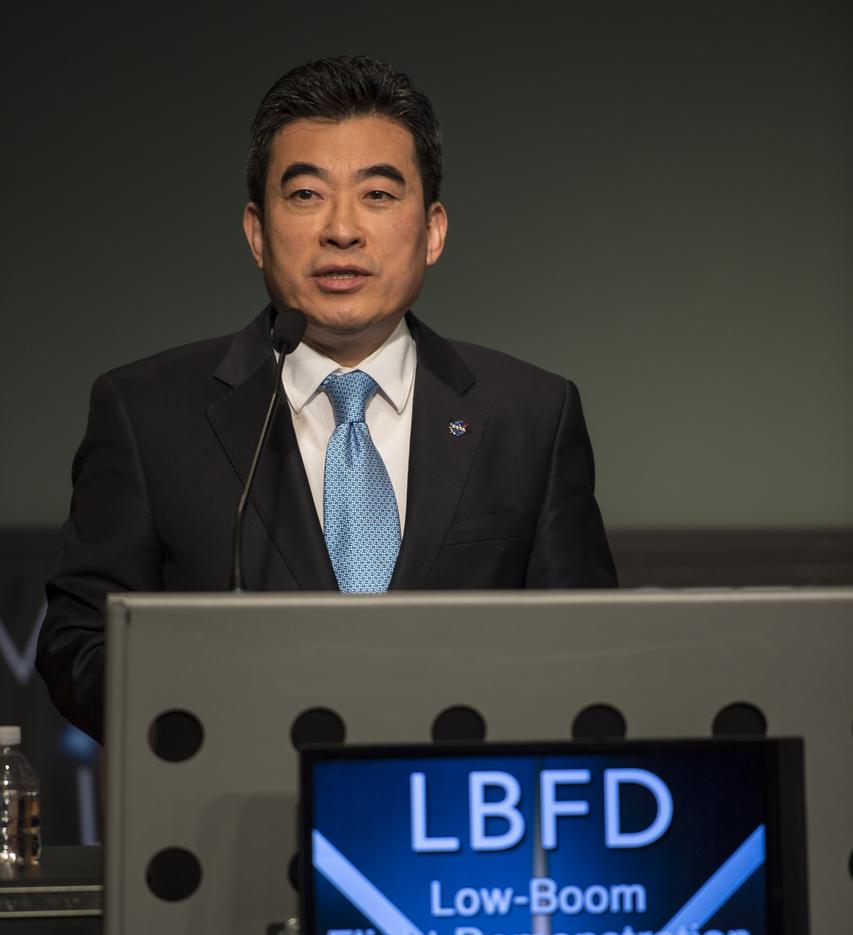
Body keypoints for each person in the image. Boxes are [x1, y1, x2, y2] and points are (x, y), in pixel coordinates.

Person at [37, 55, 616, 744]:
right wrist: (214, 720)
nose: (342, 229)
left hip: (462, 805)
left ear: (432, 230)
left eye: (378, 194)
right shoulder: (147, 413)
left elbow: (590, 653)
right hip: (235, 801)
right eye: (307, 194)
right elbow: (78, 645)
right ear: (258, 233)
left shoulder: (531, 415)